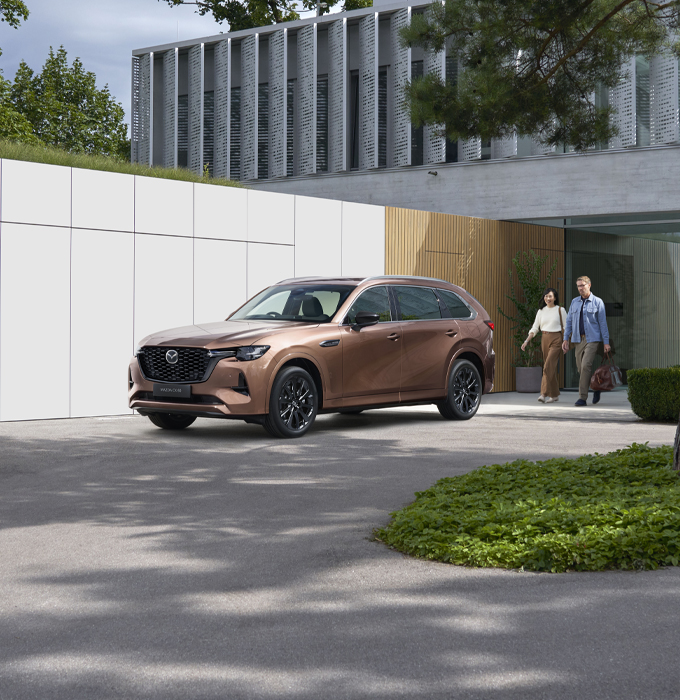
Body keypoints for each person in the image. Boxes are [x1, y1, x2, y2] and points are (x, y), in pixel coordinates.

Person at [562, 276, 611, 406]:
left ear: (589, 285)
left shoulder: (597, 302)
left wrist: (606, 342)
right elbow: (569, 321)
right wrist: (565, 339)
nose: (580, 288)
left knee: (585, 366)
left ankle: (582, 398)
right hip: (578, 339)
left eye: (582, 285)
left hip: (593, 339)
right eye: (578, 286)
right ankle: (596, 388)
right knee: (581, 369)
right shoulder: (574, 302)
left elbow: (603, 323)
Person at [521, 288, 567, 403]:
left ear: (555, 298)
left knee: (547, 367)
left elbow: (567, 328)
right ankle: (555, 395)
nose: (548, 298)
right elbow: (535, 328)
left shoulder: (560, 310)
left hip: (557, 339)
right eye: (546, 296)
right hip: (544, 338)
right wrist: (526, 341)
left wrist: (565, 342)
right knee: (549, 367)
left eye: (550, 296)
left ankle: (543, 393)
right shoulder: (541, 311)